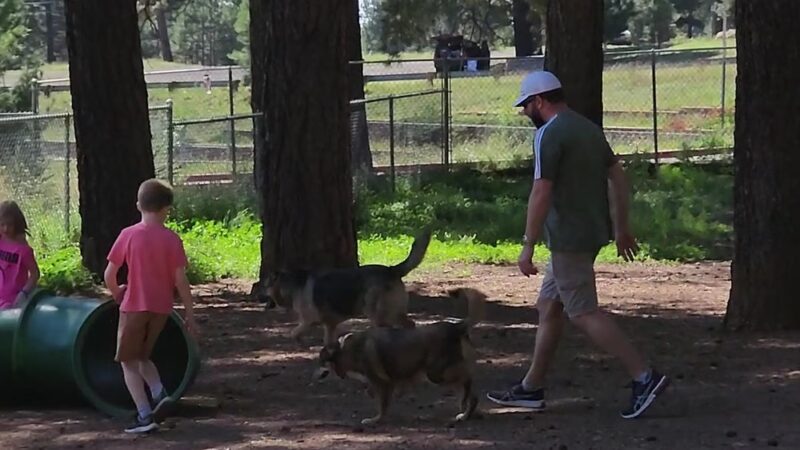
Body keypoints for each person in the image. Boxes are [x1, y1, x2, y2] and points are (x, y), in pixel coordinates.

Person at [486, 71, 669, 419]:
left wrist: (527, 245)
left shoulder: (548, 134)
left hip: (568, 239)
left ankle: (644, 376)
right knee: (549, 306)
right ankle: (531, 388)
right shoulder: (587, 128)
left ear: (539, 101)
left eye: (526, 105)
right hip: (588, 233)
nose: (525, 113)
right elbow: (617, 174)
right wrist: (621, 227)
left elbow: (541, 191)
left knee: (583, 312)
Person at [104, 179, 199, 433]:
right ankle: (159, 392)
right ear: (166, 209)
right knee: (142, 355)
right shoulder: (172, 239)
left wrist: (117, 293)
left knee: (127, 362)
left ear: (139, 205)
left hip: (134, 305)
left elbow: (109, 274)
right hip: (161, 308)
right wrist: (190, 315)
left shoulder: (129, 234)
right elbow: (180, 280)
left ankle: (145, 415)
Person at [0, 201, 40, 310]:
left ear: (16, 224)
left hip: (12, 301)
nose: (5, 229)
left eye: (10, 224)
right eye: (2, 224)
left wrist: (24, 293)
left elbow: (35, 273)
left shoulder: (23, 250)